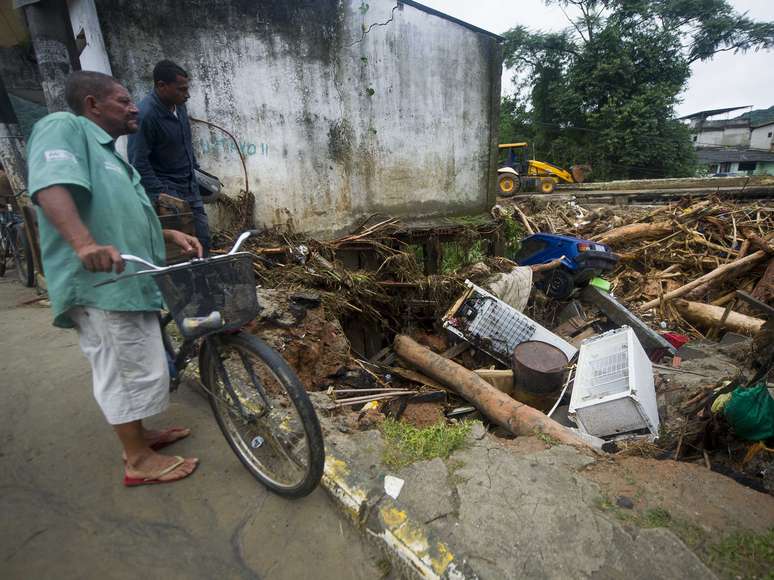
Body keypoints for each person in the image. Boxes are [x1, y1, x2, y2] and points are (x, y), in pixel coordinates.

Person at [26, 70, 202, 486]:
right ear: (92, 104)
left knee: (137, 363)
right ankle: (136, 460)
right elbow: (49, 184)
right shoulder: (62, 127)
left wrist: (166, 232)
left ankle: (140, 436)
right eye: (123, 101)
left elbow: (122, 218)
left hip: (129, 280)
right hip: (101, 283)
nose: (134, 107)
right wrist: (83, 244)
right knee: (122, 367)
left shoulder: (111, 156)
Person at [128, 60, 211, 255]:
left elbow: (185, 143)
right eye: (181, 90)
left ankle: (208, 280)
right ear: (161, 85)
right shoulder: (146, 115)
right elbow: (138, 162)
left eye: (187, 89)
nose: (187, 95)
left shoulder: (179, 105)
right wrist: (161, 194)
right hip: (168, 192)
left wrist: (196, 172)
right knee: (180, 247)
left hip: (190, 185)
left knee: (203, 238)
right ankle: (187, 283)